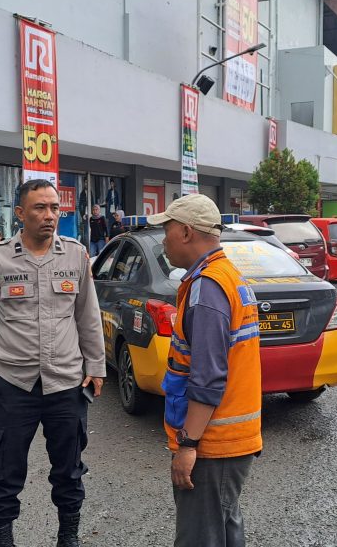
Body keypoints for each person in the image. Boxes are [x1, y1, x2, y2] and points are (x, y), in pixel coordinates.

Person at [0, 179, 105, 547]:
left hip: (66, 383)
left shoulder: (76, 254)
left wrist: (96, 367)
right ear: (21, 213)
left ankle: (68, 536)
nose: (50, 215)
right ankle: (3, 538)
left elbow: (88, 317)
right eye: (40, 208)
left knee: (70, 469)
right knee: (3, 468)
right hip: (14, 382)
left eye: (55, 208)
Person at [145, 194, 262, 547]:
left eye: (166, 231)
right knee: (224, 529)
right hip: (227, 440)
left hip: (214, 443)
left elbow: (208, 375)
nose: (162, 241)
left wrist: (188, 445)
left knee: (201, 536)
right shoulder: (224, 276)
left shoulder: (207, 288)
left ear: (184, 232)